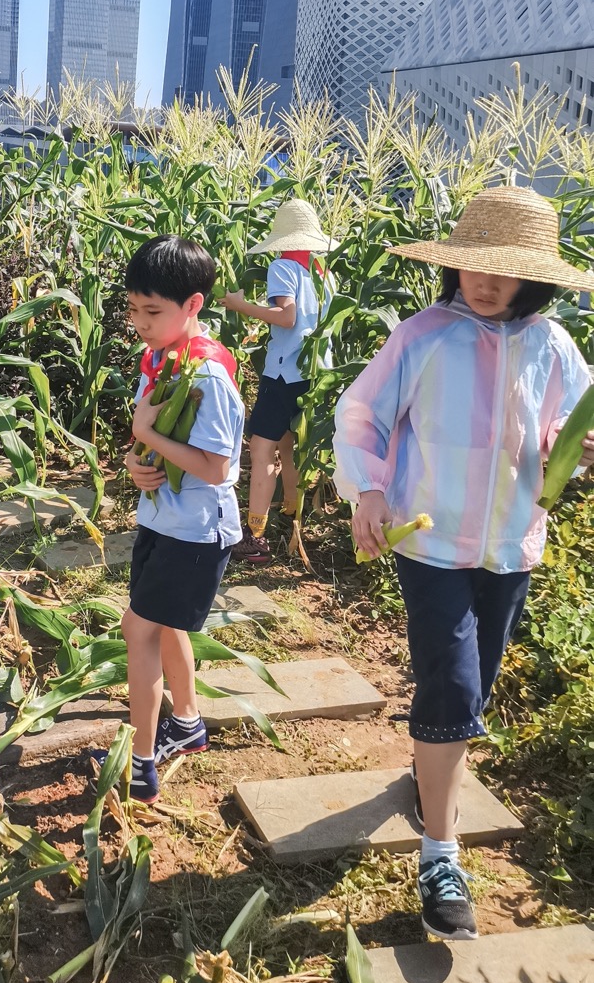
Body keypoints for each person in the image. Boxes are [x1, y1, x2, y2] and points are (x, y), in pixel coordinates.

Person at [333, 185, 594, 942]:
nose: (484, 281)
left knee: (474, 679)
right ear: (454, 266)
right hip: (429, 542)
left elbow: (566, 441)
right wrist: (369, 492)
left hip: (511, 546)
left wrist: (574, 460)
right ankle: (440, 856)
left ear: (534, 277)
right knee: (452, 683)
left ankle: (428, 774)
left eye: (504, 270)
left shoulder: (554, 349)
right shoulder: (423, 336)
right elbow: (361, 415)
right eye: (473, 265)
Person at [120, 236, 246, 802]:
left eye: (153, 312)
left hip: (194, 530)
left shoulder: (207, 378)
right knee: (165, 625)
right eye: (133, 309)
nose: (140, 323)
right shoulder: (162, 359)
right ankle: (187, 723)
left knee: (138, 628)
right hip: (164, 517)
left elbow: (217, 468)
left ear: (192, 306)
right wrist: (136, 461)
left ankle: (143, 764)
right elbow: (156, 442)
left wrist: (144, 435)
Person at [220, 197, 334, 564]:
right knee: (289, 444)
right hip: (314, 373)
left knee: (262, 448)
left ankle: (254, 537)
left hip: (284, 372)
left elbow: (286, 317)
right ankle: (293, 517)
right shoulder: (322, 273)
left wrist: (239, 305)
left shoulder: (282, 266)